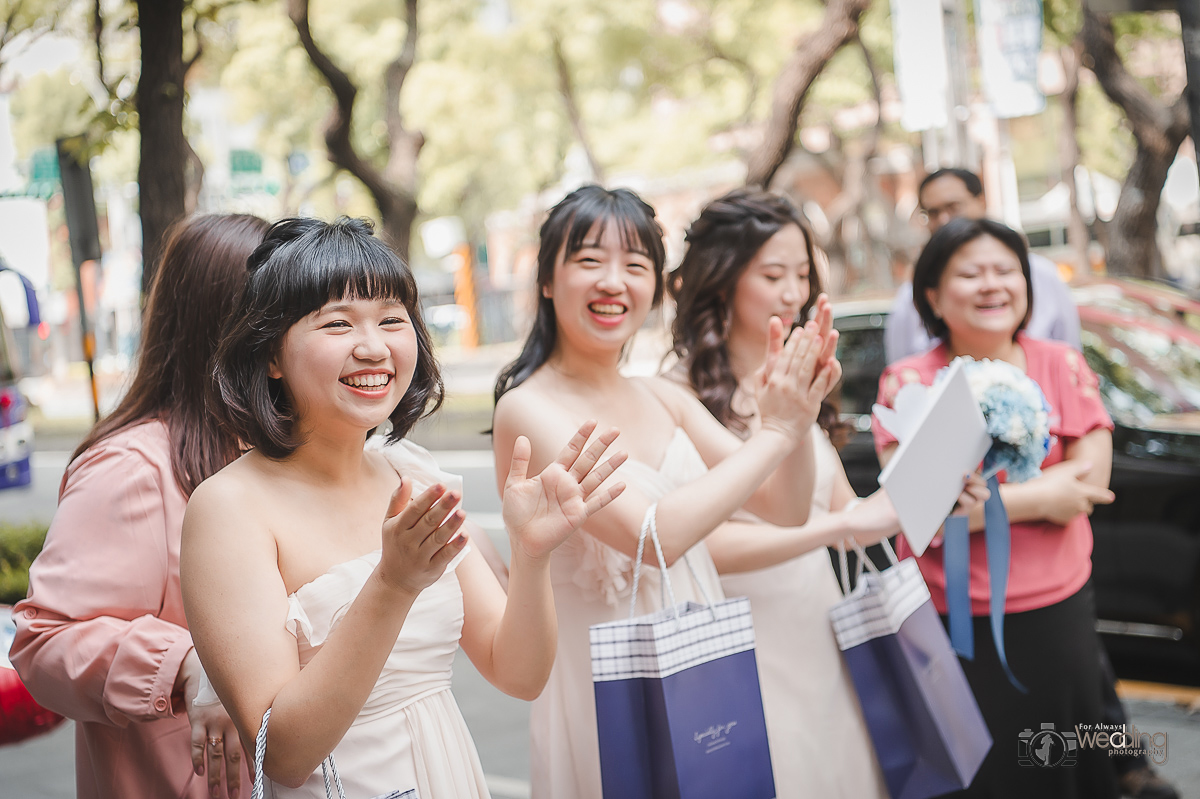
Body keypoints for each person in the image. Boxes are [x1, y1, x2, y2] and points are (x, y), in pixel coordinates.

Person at [180, 217, 624, 799]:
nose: (374, 346)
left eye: (392, 320)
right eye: (337, 323)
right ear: (271, 358)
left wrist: (531, 554)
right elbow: (282, 753)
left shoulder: (412, 473)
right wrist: (392, 584)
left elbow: (520, 674)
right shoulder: (228, 509)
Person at [491, 185, 841, 799]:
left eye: (635, 265)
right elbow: (653, 536)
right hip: (608, 683)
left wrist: (797, 416)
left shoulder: (664, 396)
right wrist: (776, 433)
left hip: (699, 668)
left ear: (655, 284)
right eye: (589, 260)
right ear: (547, 279)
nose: (614, 282)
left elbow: (783, 510)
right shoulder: (527, 408)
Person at [668, 188, 990, 798]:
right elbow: (692, 543)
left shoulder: (800, 385)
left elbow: (854, 517)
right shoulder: (674, 398)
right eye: (772, 274)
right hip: (739, 642)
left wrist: (934, 486)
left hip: (820, 626)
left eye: (801, 274)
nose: (792, 293)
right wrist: (836, 526)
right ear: (721, 279)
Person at [11, 214, 270, 799]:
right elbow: (45, 639)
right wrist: (184, 665)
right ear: (232, 322)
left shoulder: (285, 446)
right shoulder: (133, 468)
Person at [873, 217, 1120, 798]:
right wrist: (1042, 496)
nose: (992, 285)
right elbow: (917, 510)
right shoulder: (907, 383)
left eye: (1006, 270)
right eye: (970, 273)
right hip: (946, 619)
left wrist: (975, 507)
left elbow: (1090, 484)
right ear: (932, 294)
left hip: (1055, 612)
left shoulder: (1062, 364)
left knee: (1061, 769)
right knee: (975, 775)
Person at [885, 167, 1081, 363]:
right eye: (933, 213)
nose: (944, 220)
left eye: (953, 207)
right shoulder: (911, 297)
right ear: (934, 298)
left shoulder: (1042, 275)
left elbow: (1070, 352)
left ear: (981, 202)